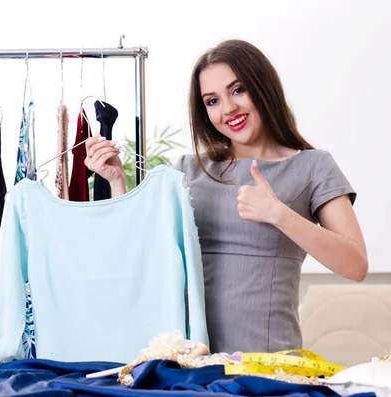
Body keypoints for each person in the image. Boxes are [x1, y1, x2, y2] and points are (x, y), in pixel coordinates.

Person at [83, 39, 368, 354]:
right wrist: (117, 182)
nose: (228, 109)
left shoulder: (313, 166)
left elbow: (356, 265)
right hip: (188, 362)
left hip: (267, 365)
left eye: (238, 90)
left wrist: (279, 214)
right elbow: (144, 255)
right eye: (212, 100)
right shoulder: (189, 169)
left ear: (264, 88)